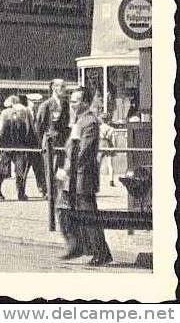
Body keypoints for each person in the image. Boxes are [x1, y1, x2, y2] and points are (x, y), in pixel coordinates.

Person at [57, 87, 113, 266]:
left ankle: (101, 252)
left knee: (88, 215)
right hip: (72, 176)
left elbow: (83, 152)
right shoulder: (79, 120)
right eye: (71, 101)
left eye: (76, 101)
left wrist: (66, 170)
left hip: (82, 176)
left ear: (86, 102)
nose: (72, 104)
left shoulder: (89, 121)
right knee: (64, 210)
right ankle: (77, 246)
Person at [0, 95, 39, 201]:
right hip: (18, 144)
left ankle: (1, 188)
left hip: (10, 144)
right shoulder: (24, 111)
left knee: (7, 167)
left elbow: (1, 129)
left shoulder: (7, 112)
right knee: (18, 168)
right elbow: (31, 128)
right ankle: (19, 191)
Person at [36, 79, 71, 173]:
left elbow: (67, 124)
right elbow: (39, 126)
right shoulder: (46, 105)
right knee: (50, 171)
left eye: (65, 86)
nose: (65, 89)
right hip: (49, 143)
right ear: (54, 88)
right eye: (62, 86)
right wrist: (40, 145)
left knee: (60, 171)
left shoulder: (66, 105)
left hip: (62, 143)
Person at [98, 113, 116, 188]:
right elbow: (113, 139)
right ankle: (111, 181)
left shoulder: (99, 128)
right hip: (108, 146)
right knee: (110, 164)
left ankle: (96, 180)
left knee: (98, 164)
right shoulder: (111, 129)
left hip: (101, 145)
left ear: (102, 120)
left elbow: (98, 137)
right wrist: (114, 147)